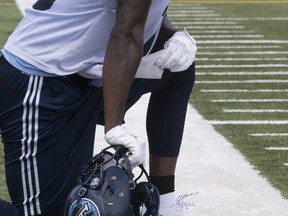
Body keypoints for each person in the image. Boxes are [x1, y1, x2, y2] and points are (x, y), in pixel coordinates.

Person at [0, 0, 197, 215]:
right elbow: (127, 32)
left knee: (177, 67)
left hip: (85, 76)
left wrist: (174, 36)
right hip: (42, 79)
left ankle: (166, 206)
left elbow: (150, 12)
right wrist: (113, 127)